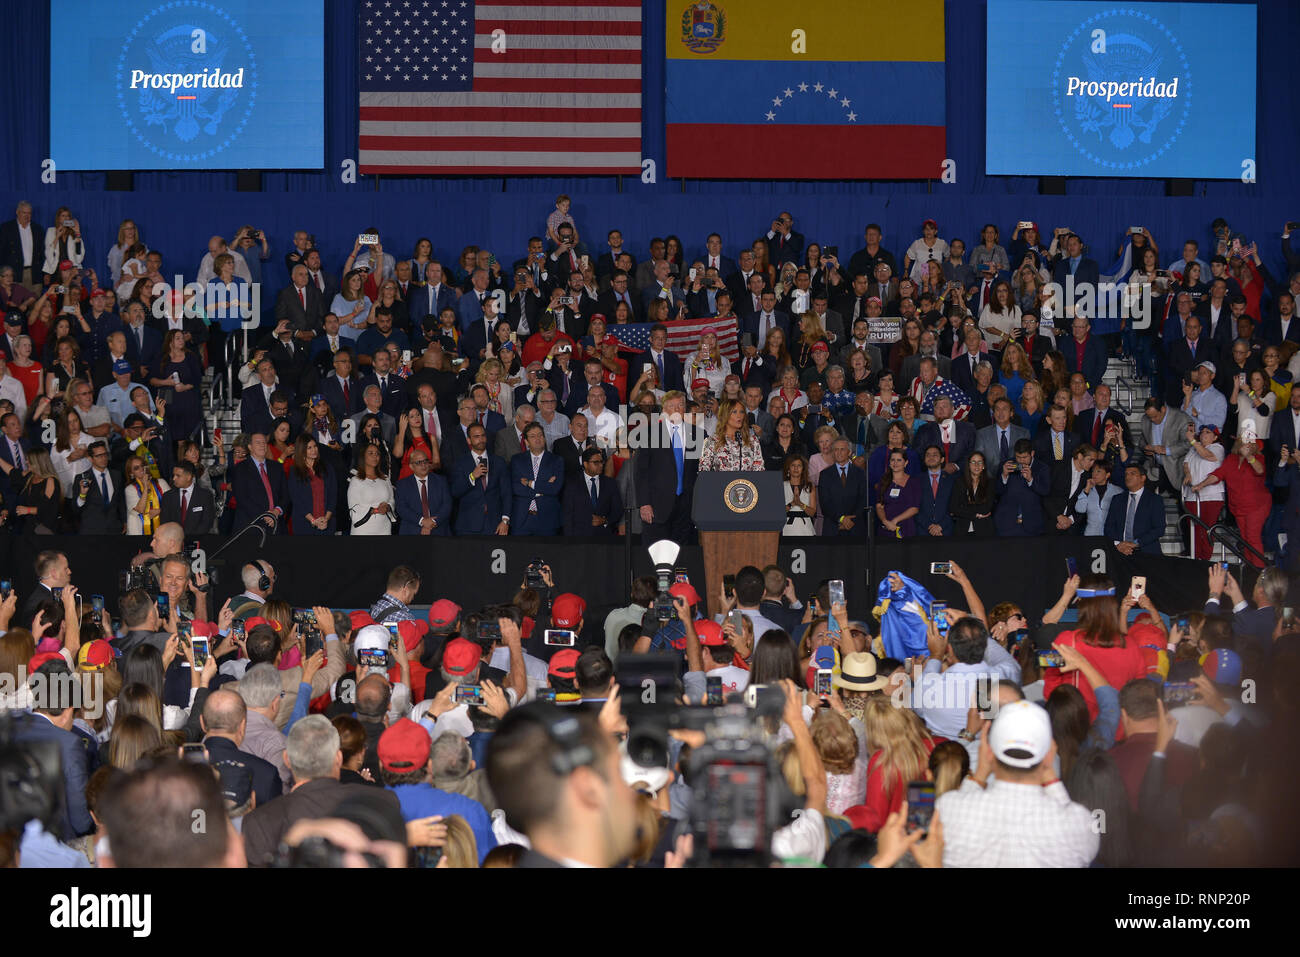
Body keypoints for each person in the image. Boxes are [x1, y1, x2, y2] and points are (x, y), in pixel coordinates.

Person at [935, 699, 1100, 867]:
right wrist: (1051, 777)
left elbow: (955, 811)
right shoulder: (1080, 824)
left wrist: (979, 776)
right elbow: (1069, 814)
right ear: (1049, 756)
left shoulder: (948, 810)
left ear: (988, 753)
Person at [1188, 433, 1270, 566]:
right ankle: (1250, 569)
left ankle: (1259, 571)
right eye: (1243, 442)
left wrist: (1249, 456)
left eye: (1250, 443)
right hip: (1238, 506)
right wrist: (1200, 485)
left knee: (1252, 538)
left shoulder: (1258, 458)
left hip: (1257, 506)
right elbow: (1218, 474)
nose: (1246, 445)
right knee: (1245, 539)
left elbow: (1260, 470)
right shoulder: (1231, 459)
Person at [1104, 461, 1166, 557]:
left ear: (1143, 478)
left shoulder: (1154, 500)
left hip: (1147, 552)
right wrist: (1119, 544)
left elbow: (1159, 529)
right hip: (1120, 552)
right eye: (1126, 474)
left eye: (1132, 474)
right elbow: (1109, 526)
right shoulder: (1117, 499)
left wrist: (1135, 543)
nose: (1128, 477)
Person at [699, 399, 764, 472]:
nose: (739, 416)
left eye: (742, 412)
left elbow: (759, 471)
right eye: (734, 412)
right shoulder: (712, 441)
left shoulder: (752, 441)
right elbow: (703, 472)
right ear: (725, 415)